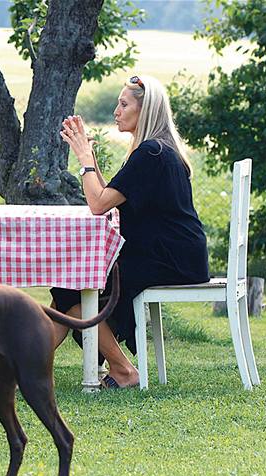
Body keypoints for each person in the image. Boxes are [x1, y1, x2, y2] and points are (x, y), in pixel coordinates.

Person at [53, 75, 209, 389]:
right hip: (171, 253)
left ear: (145, 110)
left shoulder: (151, 154)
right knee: (73, 283)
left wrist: (84, 158)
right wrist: (89, 157)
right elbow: (110, 196)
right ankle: (26, 368)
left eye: (124, 104)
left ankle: (123, 370)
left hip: (169, 258)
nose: (116, 110)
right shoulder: (154, 151)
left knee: (75, 285)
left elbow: (98, 205)